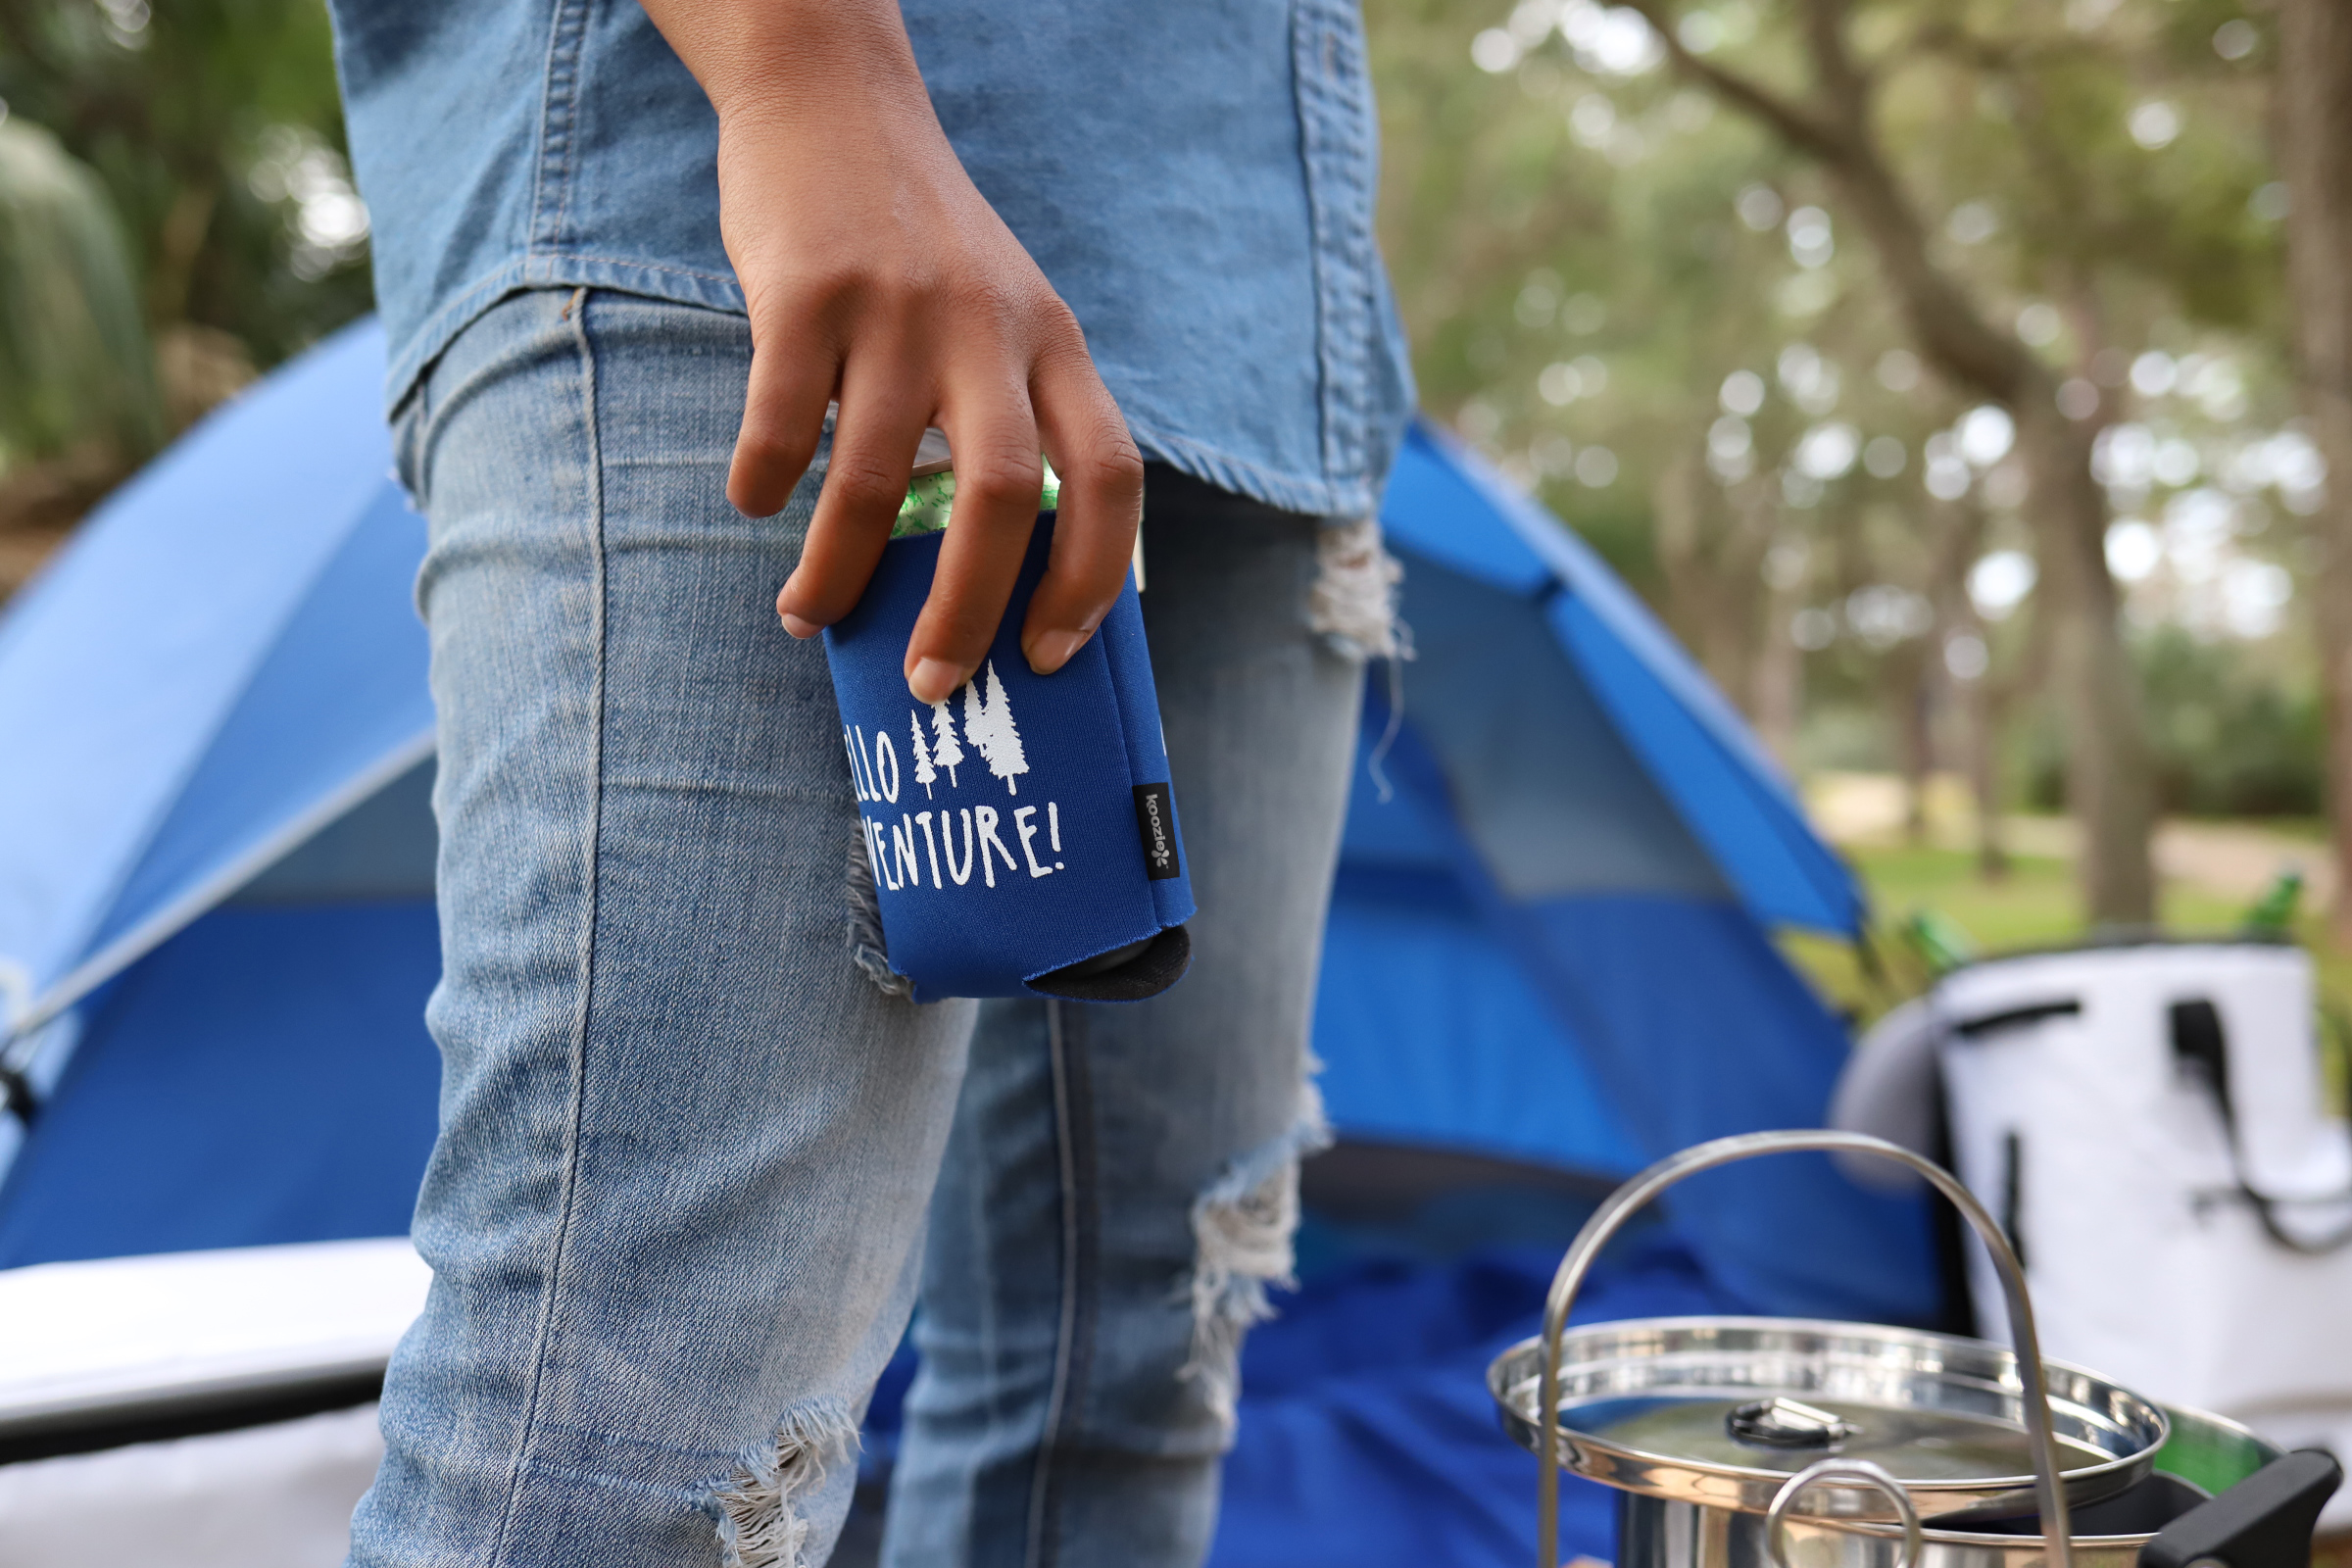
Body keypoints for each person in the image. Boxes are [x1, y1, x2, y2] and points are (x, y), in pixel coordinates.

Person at [323, 1, 1414, 1563]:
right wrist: (805, 70)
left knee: (1129, 1383)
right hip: (748, 193)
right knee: (637, 1452)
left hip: (1248, 313)